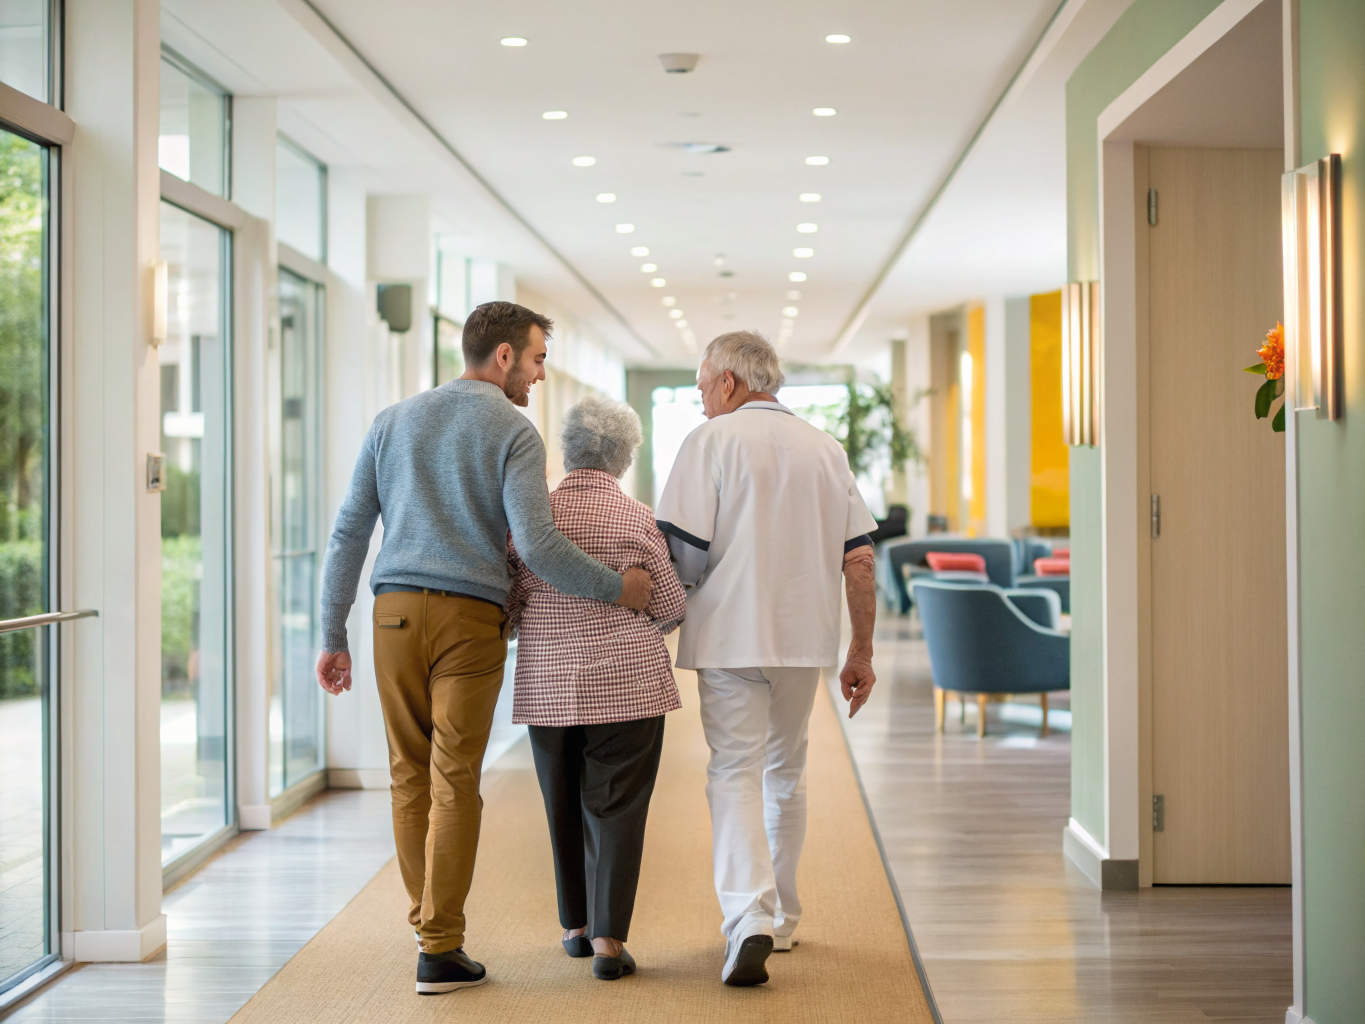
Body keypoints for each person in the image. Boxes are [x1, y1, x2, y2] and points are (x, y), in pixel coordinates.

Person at [314, 301, 654, 996]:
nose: (536, 376)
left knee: (408, 774)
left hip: (392, 615)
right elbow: (537, 545)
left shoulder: (391, 421)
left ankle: (430, 932)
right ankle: (438, 946)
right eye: (534, 360)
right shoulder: (513, 429)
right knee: (453, 777)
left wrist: (330, 633)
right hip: (468, 618)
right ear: (502, 357)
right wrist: (615, 589)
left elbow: (349, 531)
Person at [654, 330, 878, 987]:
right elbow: (859, 560)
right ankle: (781, 919)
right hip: (804, 640)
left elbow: (683, 558)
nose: (699, 402)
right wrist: (859, 649)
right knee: (786, 770)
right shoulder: (825, 448)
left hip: (729, 638)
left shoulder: (710, 443)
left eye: (700, 388)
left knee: (733, 772)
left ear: (728, 382)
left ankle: (748, 917)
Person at [506, 395, 687, 982]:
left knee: (561, 799)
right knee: (617, 806)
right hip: (628, 684)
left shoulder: (533, 518)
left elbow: (510, 605)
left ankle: (574, 928)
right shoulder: (638, 518)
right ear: (626, 455)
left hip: (548, 685)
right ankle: (609, 941)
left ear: (564, 450)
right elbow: (669, 604)